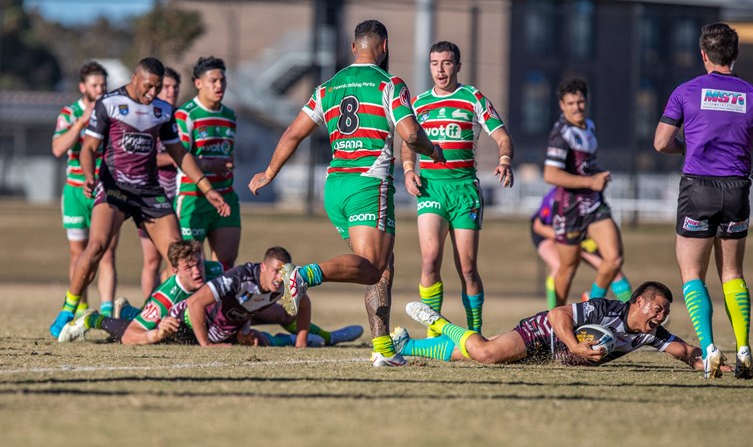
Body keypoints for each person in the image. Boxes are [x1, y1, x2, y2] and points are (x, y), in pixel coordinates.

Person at [248, 19, 444, 366]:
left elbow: (293, 133)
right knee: (371, 267)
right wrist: (433, 151)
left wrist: (269, 172)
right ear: (384, 46)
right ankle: (304, 275)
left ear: (355, 48)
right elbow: (411, 134)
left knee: (384, 265)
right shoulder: (390, 84)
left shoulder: (327, 87)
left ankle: (382, 347)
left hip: (335, 188)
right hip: (368, 183)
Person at [49, 57, 231, 338]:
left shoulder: (162, 110)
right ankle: (68, 308)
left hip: (149, 192)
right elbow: (88, 148)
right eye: (148, 86)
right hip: (114, 189)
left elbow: (180, 154)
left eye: (157, 88)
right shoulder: (109, 104)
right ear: (135, 78)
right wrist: (89, 175)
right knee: (96, 247)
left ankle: (148, 315)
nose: (152, 93)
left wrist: (208, 189)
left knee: (179, 258)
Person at [654, 22, 753, 379]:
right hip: (737, 190)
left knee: (693, 273)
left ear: (703, 55)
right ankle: (743, 346)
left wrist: (688, 147)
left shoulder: (686, 91)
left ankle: (710, 347)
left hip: (698, 188)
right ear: (735, 55)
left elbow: (661, 142)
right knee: (732, 272)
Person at [400, 41, 514, 337]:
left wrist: (505, 160)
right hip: (432, 189)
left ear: (458, 66)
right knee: (429, 260)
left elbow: (503, 137)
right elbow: (408, 142)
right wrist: (409, 170)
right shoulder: (420, 103)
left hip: (464, 191)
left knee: (467, 268)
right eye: (434, 63)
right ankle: (433, 333)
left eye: (447, 63)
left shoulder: (472, 97)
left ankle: (475, 332)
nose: (440, 69)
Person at [61, 242, 362, 347]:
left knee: (279, 316)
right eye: (189, 267)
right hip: (187, 323)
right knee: (143, 326)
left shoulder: (216, 269)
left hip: (227, 318)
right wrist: (154, 335)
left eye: (199, 264)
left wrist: (245, 327)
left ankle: (326, 338)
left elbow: (298, 299)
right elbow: (135, 336)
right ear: (175, 270)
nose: (197, 272)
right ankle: (97, 319)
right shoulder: (167, 295)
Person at [395, 281, 726, 374]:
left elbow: (684, 351)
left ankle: (405, 346)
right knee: (484, 353)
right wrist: (575, 346)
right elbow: (557, 315)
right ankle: (436, 321)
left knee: (463, 357)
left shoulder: (650, 334)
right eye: (658, 308)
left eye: (665, 312)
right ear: (639, 301)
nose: (661, 316)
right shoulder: (606, 308)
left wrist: (708, 360)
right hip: (544, 332)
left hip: (554, 351)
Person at [542, 78, 625, 307]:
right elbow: (550, 175)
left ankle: (591, 303)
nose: (577, 107)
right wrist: (590, 182)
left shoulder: (589, 125)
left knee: (614, 259)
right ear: (561, 105)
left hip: (594, 205)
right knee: (568, 269)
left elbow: (585, 164)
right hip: (569, 208)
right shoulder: (561, 135)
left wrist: (598, 173)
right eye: (570, 103)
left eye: (580, 102)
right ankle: (555, 322)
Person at [179, 247, 363, 347]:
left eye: (283, 273)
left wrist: (302, 340)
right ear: (263, 267)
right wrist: (206, 344)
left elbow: (304, 303)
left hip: (239, 319)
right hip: (206, 326)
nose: (280, 278)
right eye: (276, 271)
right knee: (259, 340)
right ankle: (288, 340)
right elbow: (195, 303)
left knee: (286, 313)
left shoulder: (282, 283)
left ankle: (329, 337)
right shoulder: (239, 277)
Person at [51, 60, 118, 317]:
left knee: (107, 252)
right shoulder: (69, 113)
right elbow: (58, 148)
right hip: (76, 191)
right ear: (83, 87)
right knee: (78, 255)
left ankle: (108, 312)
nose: (100, 89)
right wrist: (81, 123)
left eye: (103, 84)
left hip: (106, 191)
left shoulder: (113, 113)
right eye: (95, 84)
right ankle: (80, 310)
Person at [175, 56, 240, 270]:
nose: (219, 85)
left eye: (222, 80)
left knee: (226, 264)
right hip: (194, 197)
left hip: (226, 195)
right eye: (213, 80)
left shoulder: (230, 115)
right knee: (188, 264)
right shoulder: (186, 115)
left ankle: (220, 305)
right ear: (198, 83)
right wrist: (211, 164)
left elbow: (227, 154)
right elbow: (180, 157)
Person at [530, 187, 633, 308]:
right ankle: (552, 316)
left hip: (581, 236)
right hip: (550, 233)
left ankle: (629, 311)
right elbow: (539, 227)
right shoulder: (556, 196)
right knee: (558, 266)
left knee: (613, 268)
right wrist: (570, 242)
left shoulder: (594, 195)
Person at [137, 66, 182, 296]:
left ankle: (169, 307)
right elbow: (144, 155)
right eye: (167, 87)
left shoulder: (182, 117)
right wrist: (176, 158)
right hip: (154, 195)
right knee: (152, 259)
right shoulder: (148, 118)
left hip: (182, 196)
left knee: (177, 259)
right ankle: (147, 311)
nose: (171, 91)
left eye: (175, 87)